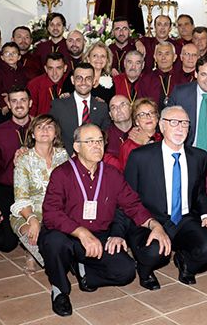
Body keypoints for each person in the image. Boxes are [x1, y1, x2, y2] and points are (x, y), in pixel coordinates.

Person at [40, 123, 169, 316]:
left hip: (99, 236)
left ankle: (84, 271)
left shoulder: (112, 174)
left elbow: (133, 205)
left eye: (99, 141)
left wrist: (155, 225)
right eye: (89, 141)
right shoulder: (62, 174)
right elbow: (50, 213)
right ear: (76, 147)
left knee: (125, 272)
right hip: (67, 234)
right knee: (54, 242)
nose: (96, 146)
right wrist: (81, 232)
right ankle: (59, 290)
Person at [122, 105, 207, 288]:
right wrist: (122, 231)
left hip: (183, 219)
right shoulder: (141, 157)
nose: (180, 128)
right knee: (154, 252)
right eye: (174, 122)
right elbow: (127, 198)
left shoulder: (198, 157)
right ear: (162, 126)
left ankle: (186, 264)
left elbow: (199, 192)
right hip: (149, 219)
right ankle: (145, 271)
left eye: (185, 123)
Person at [10, 114, 70, 272]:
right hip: (28, 212)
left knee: (58, 253)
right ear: (32, 134)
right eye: (39, 127)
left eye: (49, 126)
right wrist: (32, 220)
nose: (44, 130)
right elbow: (21, 197)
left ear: (55, 133)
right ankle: (30, 252)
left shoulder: (63, 156)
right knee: (35, 239)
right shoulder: (24, 159)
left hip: (58, 211)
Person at [0, 86, 33, 255]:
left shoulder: (43, 129)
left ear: (30, 103)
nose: (19, 105)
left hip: (34, 191)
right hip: (7, 190)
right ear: (8, 105)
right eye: (14, 101)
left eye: (23, 100)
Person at [50, 63, 112, 155]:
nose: (83, 82)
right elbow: (51, 135)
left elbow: (105, 137)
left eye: (88, 78)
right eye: (79, 78)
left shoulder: (102, 107)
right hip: (65, 160)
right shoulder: (58, 105)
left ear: (94, 81)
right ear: (72, 80)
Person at [119, 98, 162, 167]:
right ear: (136, 121)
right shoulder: (128, 146)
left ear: (157, 118)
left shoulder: (165, 139)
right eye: (142, 114)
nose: (148, 117)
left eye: (151, 113)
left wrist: (147, 142)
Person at [0, 42, 29, 111]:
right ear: (2, 57)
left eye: (14, 53)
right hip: (4, 105)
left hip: (19, 103)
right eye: (7, 53)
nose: (10, 56)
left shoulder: (22, 70)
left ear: (19, 57)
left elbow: (26, 87)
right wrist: (3, 104)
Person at [105, 95, 133, 159]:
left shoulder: (142, 132)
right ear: (110, 115)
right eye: (113, 107)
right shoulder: (105, 137)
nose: (118, 110)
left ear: (131, 108)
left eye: (123, 105)